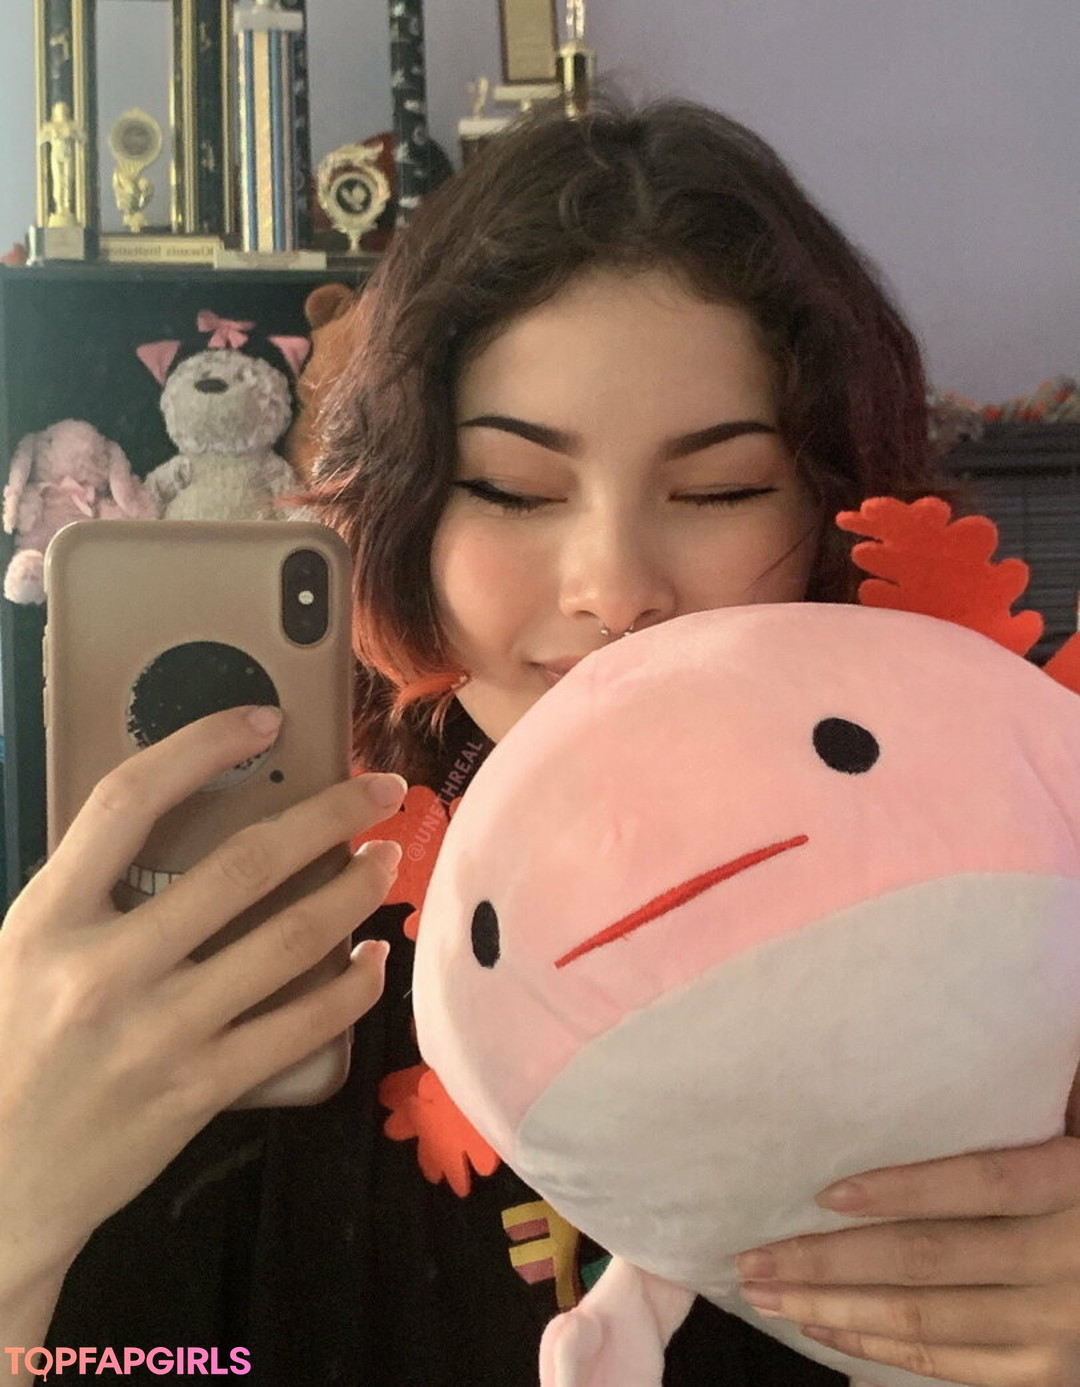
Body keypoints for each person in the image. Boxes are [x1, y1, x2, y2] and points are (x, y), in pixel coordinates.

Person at [3, 95, 1079, 1387]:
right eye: (514, 490)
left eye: (721, 490)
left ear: (837, 510)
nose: (613, 588)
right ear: (406, 511)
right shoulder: (277, 953)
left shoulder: (1019, 913)